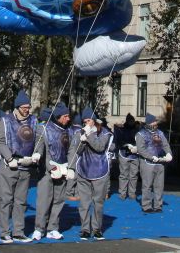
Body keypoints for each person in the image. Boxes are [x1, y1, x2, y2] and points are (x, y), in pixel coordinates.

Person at [0, 90, 40, 244]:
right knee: (6, 200)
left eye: (29, 106)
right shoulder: (6, 120)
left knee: (21, 201)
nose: (27, 109)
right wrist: (9, 158)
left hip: (26, 166)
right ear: (17, 107)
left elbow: (39, 141)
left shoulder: (34, 121)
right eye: (24, 107)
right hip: (10, 166)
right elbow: (0, 141)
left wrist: (36, 155)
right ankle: (4, 232)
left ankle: (18, 232)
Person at [70, 108, 112, 241]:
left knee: (98, 202)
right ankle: (85, 229)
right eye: (84, 121)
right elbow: (76, 151)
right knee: (84, 203)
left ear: (94, 120)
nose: (86, 124)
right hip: (83, 170)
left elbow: (100, 147)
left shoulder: (105, 133)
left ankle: (97, 229)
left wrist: (89, 135)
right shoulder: (79, 132)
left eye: (88, 121)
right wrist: (82, 141)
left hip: (100, 171)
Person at [33, 103, 71, 240]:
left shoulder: (68, 130)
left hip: (63, 169)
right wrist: (51, 167)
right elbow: (42, 149)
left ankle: (53, 228)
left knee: (59, 200)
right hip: (47, 171)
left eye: (68, 116)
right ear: (58, 117)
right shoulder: (43, 128)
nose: (68, 119)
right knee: (44, 200)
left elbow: (70, 150)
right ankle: (39, 228)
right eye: (65, 116)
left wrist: (68, 167)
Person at [136, 113, 172, 213]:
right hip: (147, 163)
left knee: (159, 186)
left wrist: (169, 154)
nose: (156, 123)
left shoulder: (160, 133)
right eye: (154, 122)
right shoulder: (141, 134)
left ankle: (158, 205)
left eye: (156, 122)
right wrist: (151, 157)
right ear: (148, 123)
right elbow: (141, 149)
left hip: (160, 162)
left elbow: (165, 145)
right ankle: (146, 205)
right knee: (147, 185)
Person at [114, 113, 140, 200]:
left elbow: (140, 141)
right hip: (124, 153)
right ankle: (122, 193)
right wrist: (126, 145)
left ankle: (132, 193)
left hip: (135, 155)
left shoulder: (137, 130)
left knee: (134, 175)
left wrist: (136, 147)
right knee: (123, 175)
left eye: (133, 121)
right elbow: (119, 141)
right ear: (127, 121)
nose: (132, 122)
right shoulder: (122, 130)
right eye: (130, 121)